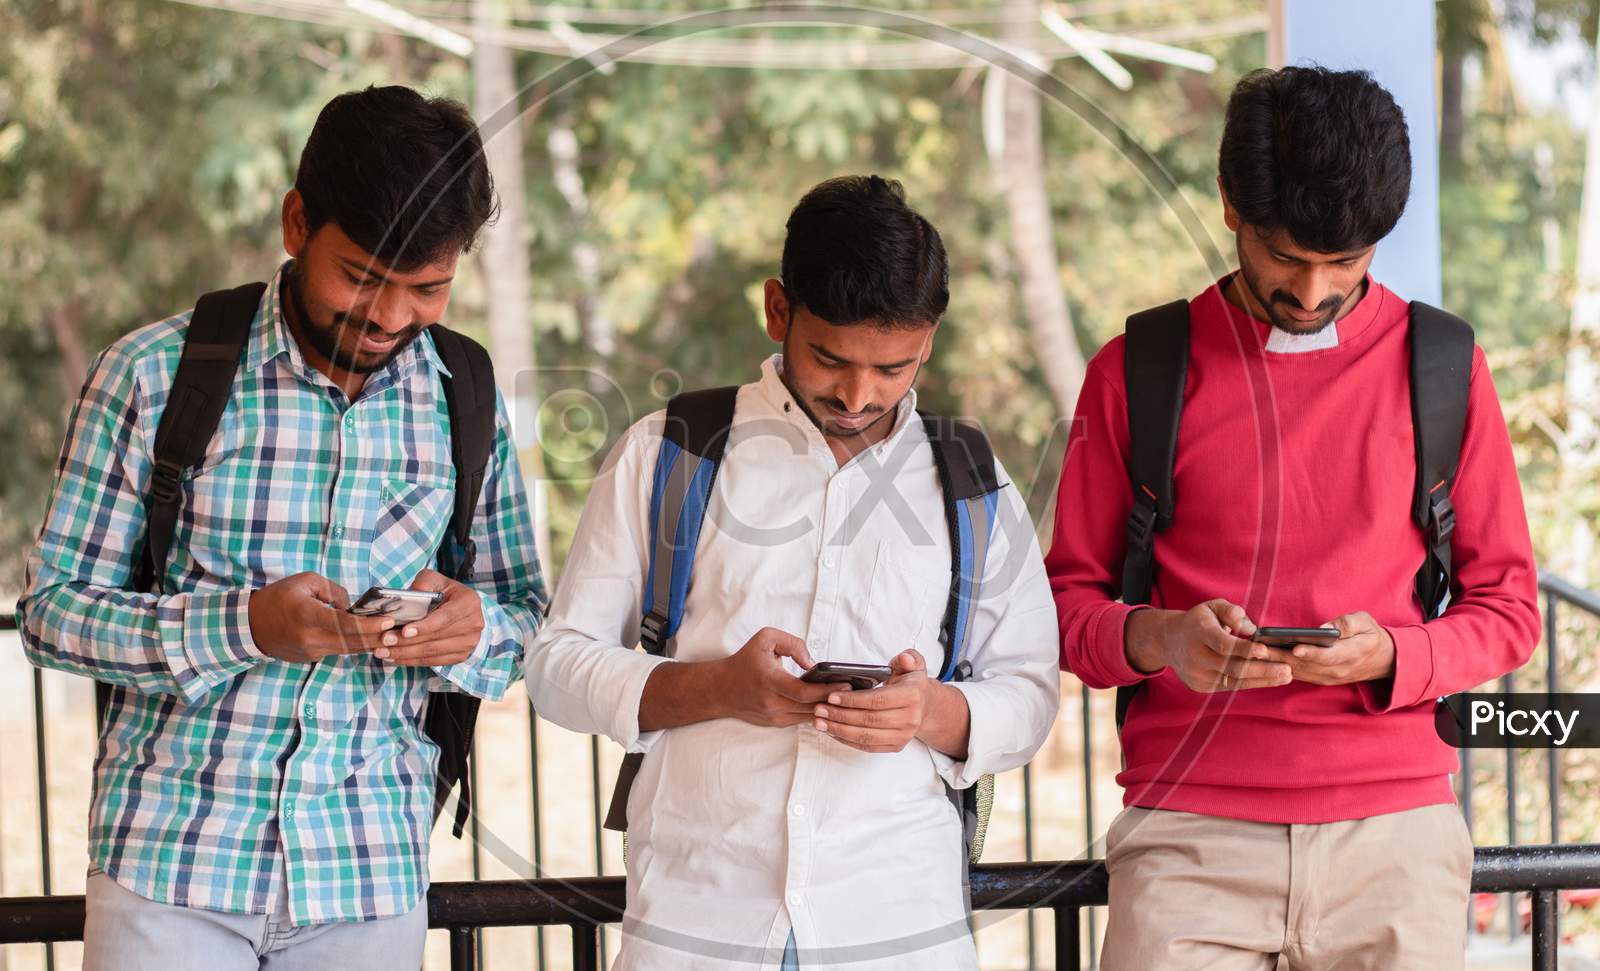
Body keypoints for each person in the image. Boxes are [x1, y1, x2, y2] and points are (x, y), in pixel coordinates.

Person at [16, 85, 546, 970]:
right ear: (297, 222)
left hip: (371, 878)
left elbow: (527, 617)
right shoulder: (152, 373)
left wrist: (471, 630)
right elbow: (51, 614)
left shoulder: (468, 394)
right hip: (168, 873)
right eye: (361, 278)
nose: (386, 318)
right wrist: (244, 625)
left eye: (427, 288)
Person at [1046, 66, 1541, 970]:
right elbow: (1066, 613)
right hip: (1187, 839)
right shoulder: (1136, 371)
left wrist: (1394, 653)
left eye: (1345, 264)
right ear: (1230, 203)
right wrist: (1161, 638)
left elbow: (1509, 611)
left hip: (1397, 841)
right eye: (1285, 257)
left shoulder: (1443, 365)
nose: (1312, 294)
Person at [526, 175, 1060, 970]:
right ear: (778, 310)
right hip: (697, 920)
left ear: (930, 341)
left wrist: (927, 710)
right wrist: (721, 689)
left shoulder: (971, 479)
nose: (857, 393)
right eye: (830, 358)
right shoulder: (669, 451)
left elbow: (1030, 695)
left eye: (894, 368)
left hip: (899, 926)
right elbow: (555, 667)